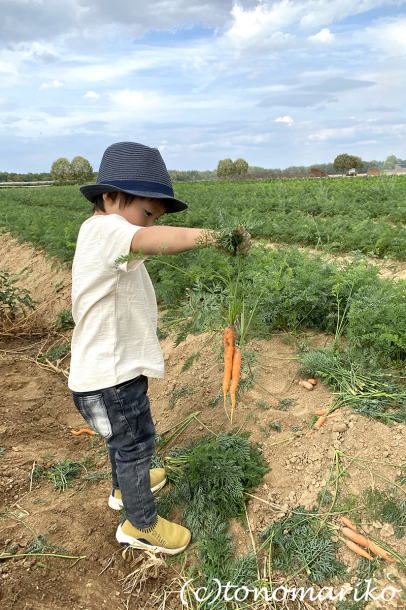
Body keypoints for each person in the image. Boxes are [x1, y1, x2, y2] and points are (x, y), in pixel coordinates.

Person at [68, 141, 250, 555]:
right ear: (111, 197)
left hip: (104, 375)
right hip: (111, 378)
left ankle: (123, 487)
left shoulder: (103, 232)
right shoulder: (107, 229)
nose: (149, 225)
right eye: (147, 214)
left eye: (154, 218)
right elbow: (154, 241)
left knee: (125, 442)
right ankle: (140, 524)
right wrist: (214, 237)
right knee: (135, 445)